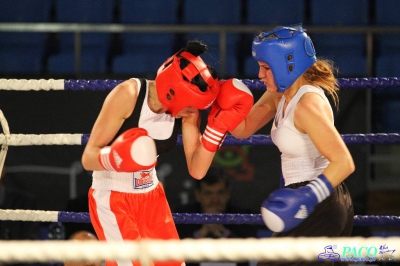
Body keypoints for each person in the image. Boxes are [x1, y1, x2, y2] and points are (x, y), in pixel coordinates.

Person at [81, 40, 253, 266]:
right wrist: (116, 158)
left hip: (152, 196)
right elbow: (88, 159)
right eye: (192, 106)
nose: (194, 112)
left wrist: (216, 129)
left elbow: (198, 170)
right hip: (113, 197)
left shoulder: (187, 110)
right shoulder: (128, 94)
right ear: (173, 91)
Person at [231, 24, 355, 265]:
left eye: (266, 68)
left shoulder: (307, 105)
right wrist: (218, 102)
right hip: (310, 201)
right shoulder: (280, 94)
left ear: (287, 63)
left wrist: (309, 196)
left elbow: (344, 162)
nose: (260, 75)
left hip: (321, 201)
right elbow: (243, 129)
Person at [174, 166, 258, 266]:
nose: (215, 200)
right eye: (208, 193)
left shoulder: (242, 216)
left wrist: (223, 232)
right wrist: (201, 234)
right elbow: (174, 256)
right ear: (198, 195)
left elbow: (251, 258)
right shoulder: (182, 216)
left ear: (228, 193)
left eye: (220, 193)